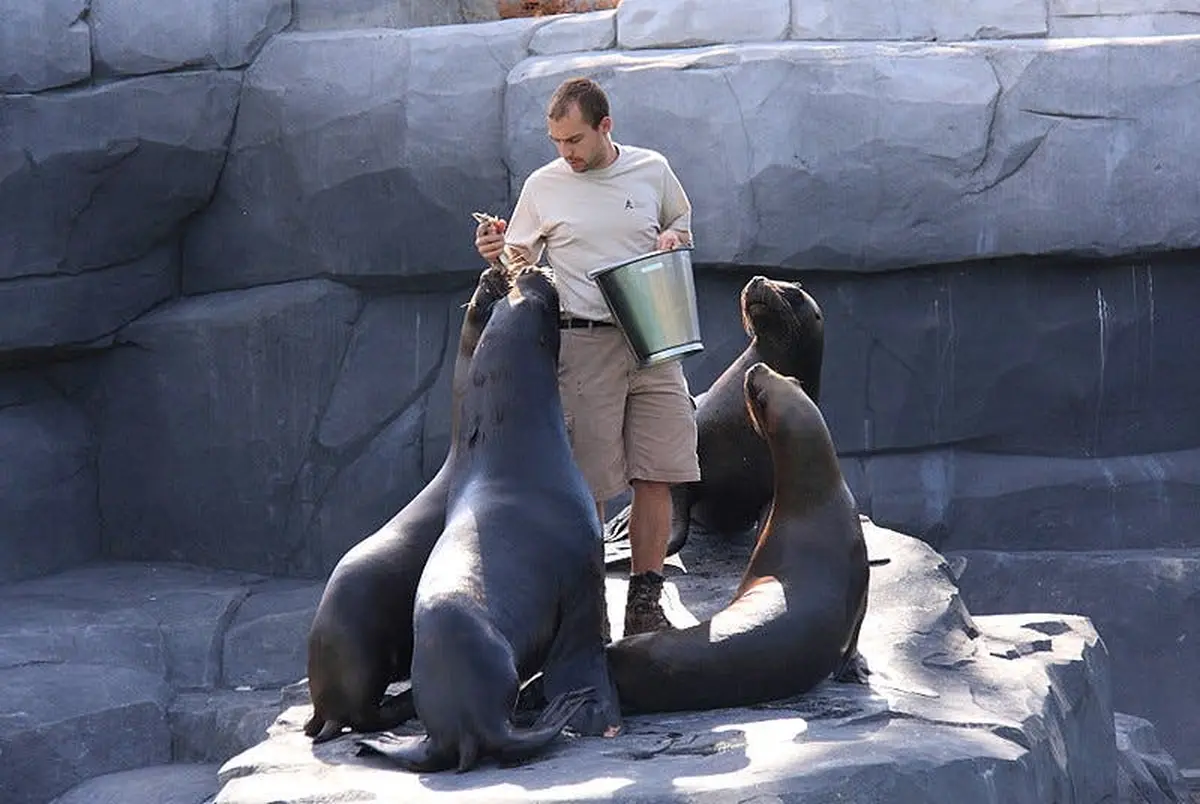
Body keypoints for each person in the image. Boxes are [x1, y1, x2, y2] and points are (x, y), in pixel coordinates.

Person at [473, 76, 699, 637]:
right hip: (584, 342)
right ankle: (587, 612)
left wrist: (673, 238)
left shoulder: (651, 169)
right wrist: (498, 251)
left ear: (605, 127)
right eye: (556, 141)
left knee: (657, 472)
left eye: (574, 140)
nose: (565, 153)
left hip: (655, 337)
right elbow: (518, 262)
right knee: (587, 486)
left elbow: (679, 223)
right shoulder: (544, 185)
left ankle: (645, 604)